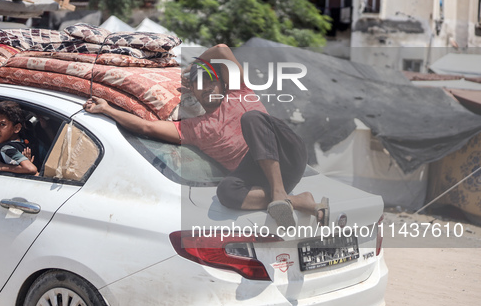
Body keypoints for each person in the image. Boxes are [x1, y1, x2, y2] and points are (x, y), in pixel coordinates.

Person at [83, 44, 328, 229]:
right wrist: (107, 109)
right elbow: (147, 128)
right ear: (192, 91)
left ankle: (278, 195)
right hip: (256, 174)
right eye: (199, 84)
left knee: (251, 118)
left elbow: (221, 49)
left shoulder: (240, 93)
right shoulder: (194, 128)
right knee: (226, 192)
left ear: (223, 84)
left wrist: (194, 66)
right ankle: (294, 200)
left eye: (211, 81)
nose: (207, 87)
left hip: (287, 154)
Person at [0, 101, 38, 175]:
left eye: (2, 124)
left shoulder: (6, 149)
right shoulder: (23, 144)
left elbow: (31, 169)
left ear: (17, 128)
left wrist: (1, 167)